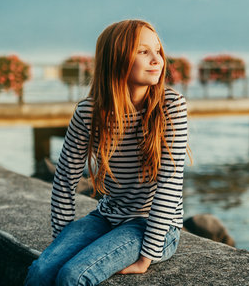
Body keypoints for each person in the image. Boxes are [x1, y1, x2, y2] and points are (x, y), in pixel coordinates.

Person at [24, 19, 188, 285]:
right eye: (143, 51)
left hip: (153, 226)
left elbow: (170, 184)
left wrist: (147, 257)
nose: (157, 60)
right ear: (117, 58)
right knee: (42, 270)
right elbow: (65, 178)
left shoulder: (171, 106)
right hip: (107, 216)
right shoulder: (89, 112)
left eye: (158, 51)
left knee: (73, 275)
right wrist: (64, 239)